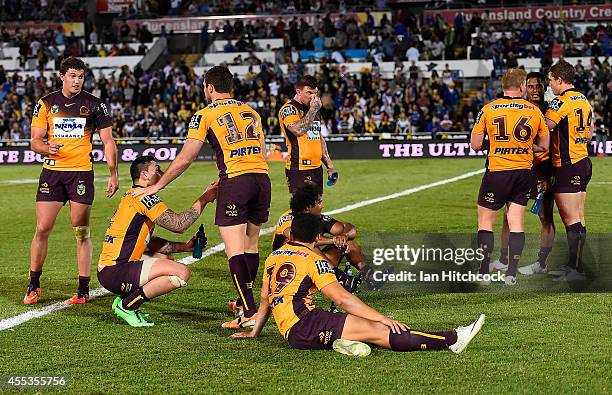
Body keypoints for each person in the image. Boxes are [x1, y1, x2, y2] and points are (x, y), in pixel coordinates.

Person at [131, 66, 270, 329]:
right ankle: (245, 304)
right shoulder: (251, 110)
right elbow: (262, 151)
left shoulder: (205, 114)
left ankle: (249, 311)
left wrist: (156, 186)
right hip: (261, 179)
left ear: (209, 87)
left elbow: (185, 157)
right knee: (251, 245)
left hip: (235, 179)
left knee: (234, 250)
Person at [232, 213, 485, 356]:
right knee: (382, 331)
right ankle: (453, 339)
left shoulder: (274, 257)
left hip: (293, 332)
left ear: (291, 234)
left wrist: (255, 332)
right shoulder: (313, 259)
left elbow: (266, 298)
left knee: (361, 328)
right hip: (306, 325)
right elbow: (343, 299)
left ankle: (339, 341)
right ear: (318, 237)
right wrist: (383, 318)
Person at [24, 57, 119, 305]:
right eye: (72, 76)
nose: (77, 81)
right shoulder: (46, 103)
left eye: (81, 76)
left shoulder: (95, 105)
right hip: (52, 174)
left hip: (80, 174)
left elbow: (108, 141)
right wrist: (46, 148)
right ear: (62, 77)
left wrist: (113, 173)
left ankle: (83, 288)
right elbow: (34, 141)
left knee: (81, 231)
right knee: (42, 229)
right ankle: (33, 285)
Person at [98, 156, 218, 327]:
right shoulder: (145, 197)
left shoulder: (132, 196)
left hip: (110, 270)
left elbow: (151, 243)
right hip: (117, 270)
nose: (162, 173)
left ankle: (125, 299)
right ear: (145, 175)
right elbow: (179, 224)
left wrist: (186, 246)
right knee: (182, 273)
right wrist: (204, 198)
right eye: (157, 169)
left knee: (166, 259)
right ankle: (128, 305)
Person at [470, 68, 549, 285]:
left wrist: (494, 144)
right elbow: (544, 146)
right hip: (523, 173)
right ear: (522, 86)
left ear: (503, 86)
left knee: (485, 222)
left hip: (498, 171)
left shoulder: (488, 109)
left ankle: (484, 272)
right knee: (517, 223)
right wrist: (522, 145)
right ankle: (511, 274)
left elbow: (475, 144)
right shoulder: (534, 111)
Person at [489, 72, 556, 275]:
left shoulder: (551, 111)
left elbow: (554, 145)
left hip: (542, 169)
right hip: (519, 168)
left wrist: (549, 174)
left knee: (545, 217)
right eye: (531, 86)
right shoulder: (518, 108)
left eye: (538, 86)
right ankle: (503, 259)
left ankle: (541, 263)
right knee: (508, 217)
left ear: (544, 88)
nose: (535, 90)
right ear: (524, 87)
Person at [270, 183, 380, 291]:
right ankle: (342, 280)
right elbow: (298, 239)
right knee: (310, 247)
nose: (322, 206)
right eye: (319, 203)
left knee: (347, 241)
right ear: (308, 207)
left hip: (311, 266)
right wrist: (332, 240)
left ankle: (370, 275)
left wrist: (344, 235)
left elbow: (348, 227)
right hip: (287, 269)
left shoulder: (316, 218)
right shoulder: (288, 218)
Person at [544, 60, 594, 281]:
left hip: (567, 164)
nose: (550, 86)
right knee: (579, 218)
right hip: (582, 160)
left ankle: (575, 270)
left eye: (550, 81)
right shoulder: (583, 99)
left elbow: (545, 127)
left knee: (571, 220)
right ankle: (575, 266)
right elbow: (590, 133)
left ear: (560, 80)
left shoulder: (561, 101)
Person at [278, 75, 335, 195]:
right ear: (298, 91)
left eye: (315, 93)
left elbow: (318, 136)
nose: (313, 97)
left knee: (316, 208)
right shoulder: (289, 109)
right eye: (309, 93)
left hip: (316, 167)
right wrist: (313, 110)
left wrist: (329, 164)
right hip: (299, 168)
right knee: (302, 210)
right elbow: (299, 130)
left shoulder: (313, 109)